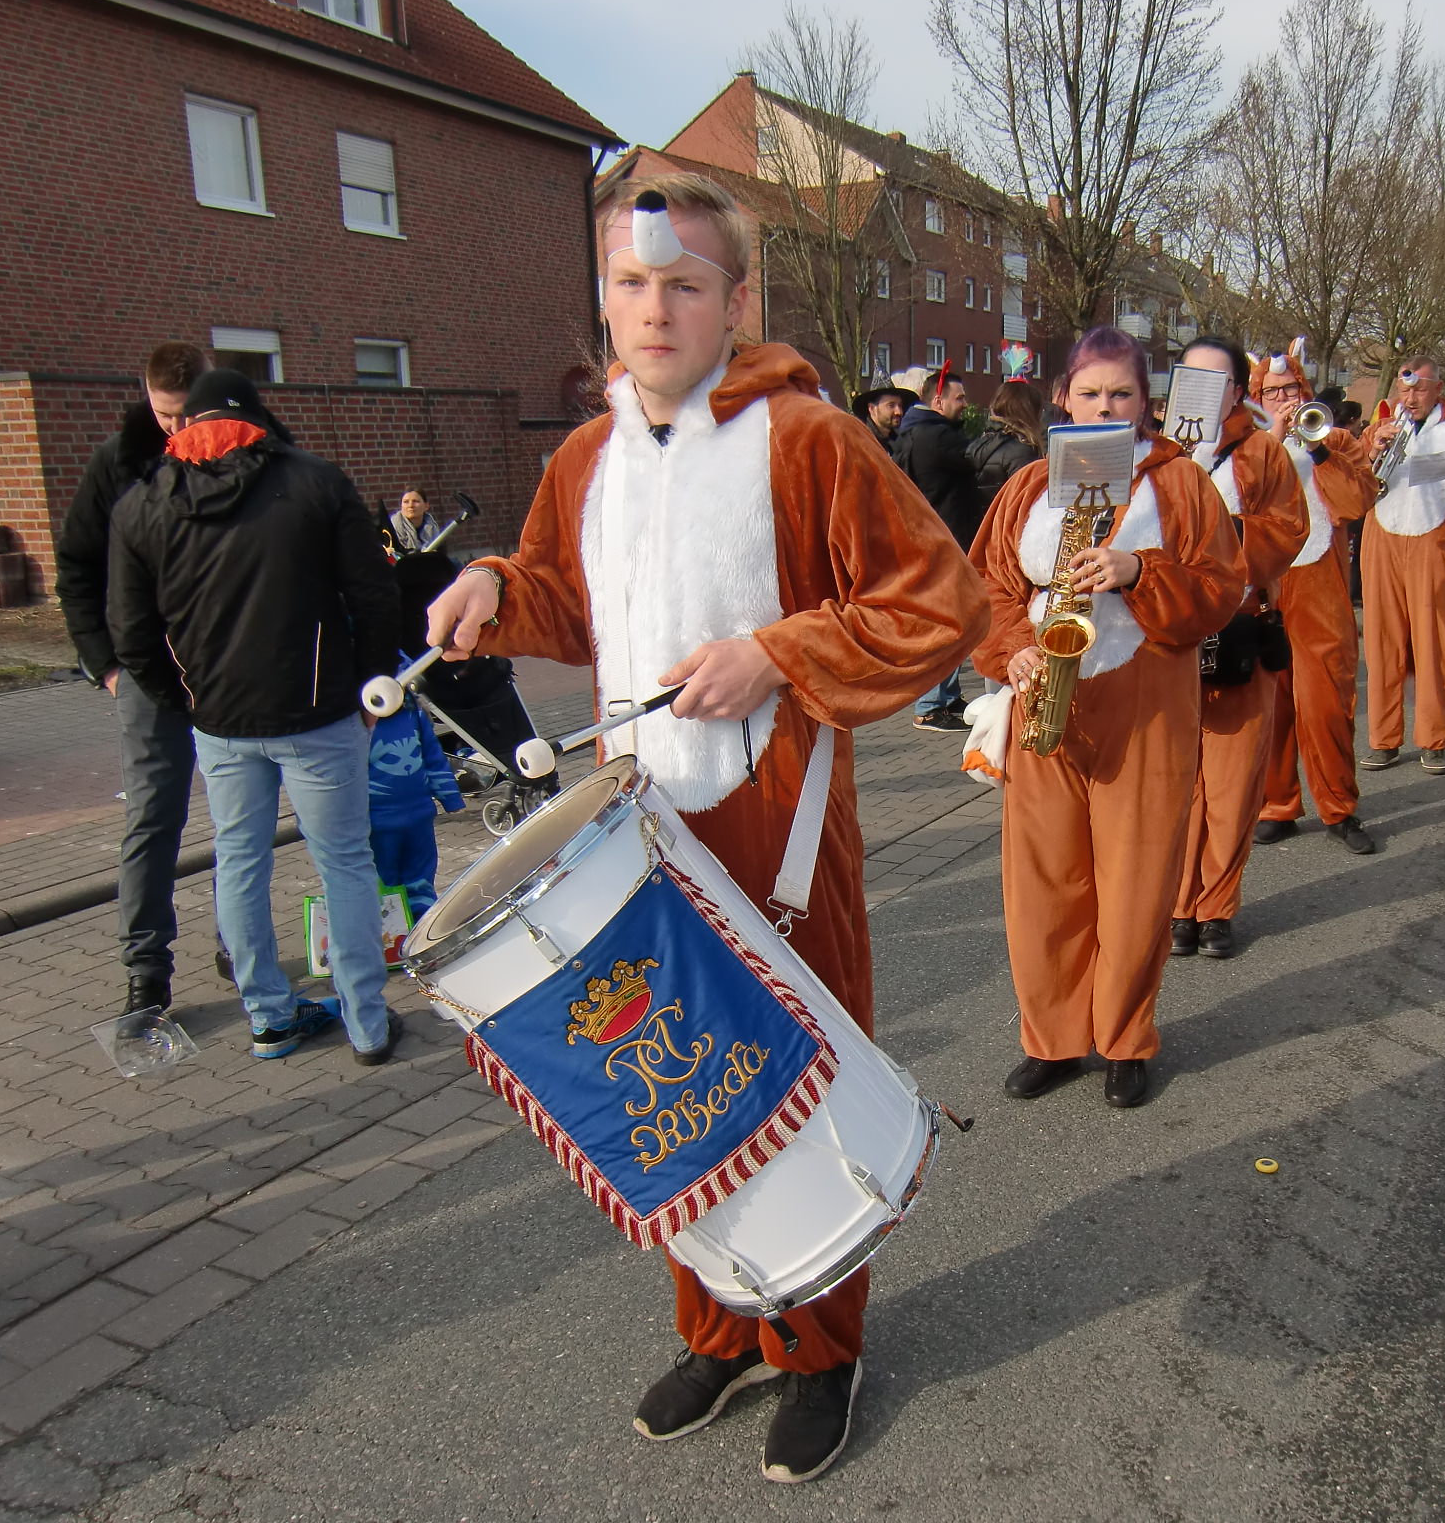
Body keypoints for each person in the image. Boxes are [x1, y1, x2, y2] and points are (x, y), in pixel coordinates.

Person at [422, 174, 986, 1483]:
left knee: (794, 1088)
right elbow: (565, 601)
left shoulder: (809, 440)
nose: (654, 309)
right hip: (631, 847)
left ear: (735, 303)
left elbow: (937, 603)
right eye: (630, 284)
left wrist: (780, 653)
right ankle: (721, 1328)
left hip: (778, 827)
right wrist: (493, 587)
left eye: (683, 284)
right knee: (670, 1096)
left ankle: (822, 1351)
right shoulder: (586, 457)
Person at [970, 325, 1242, 1109]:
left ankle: (1125, 1038)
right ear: (1063, 397)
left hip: (1146, 704)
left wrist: (1138, 570)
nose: (1104, 406)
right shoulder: (1029, 485)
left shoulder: (1179, 482)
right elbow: (985, 588)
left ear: (1145, 401)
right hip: (1046, 701)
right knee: (1043, 883)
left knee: (1136, 880)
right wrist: (1012, 651)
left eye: (1120, 393)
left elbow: (1220, 589)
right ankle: (1052, 1038)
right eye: (1089, 392)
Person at [108, 369, 405, 1064]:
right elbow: (374, 592)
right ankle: (367, 1023)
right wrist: (370, 686)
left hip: (220, 722)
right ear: (257, 420)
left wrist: (186, 699)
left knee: (239, 861)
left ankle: (268, 1018)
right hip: (319, 714)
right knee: (344, 862)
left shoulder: (142, 504)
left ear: (188, 424)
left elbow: (131, 632)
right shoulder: (316, 482)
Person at [54, 340, 210, 1018]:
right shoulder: (116, 465)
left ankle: (240, 945)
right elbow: (76, 567)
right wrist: (105, 663)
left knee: (241, 817)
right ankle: (146, 968)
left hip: (230, 666)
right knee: (152, 816)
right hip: (145, 671)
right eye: (164, 413)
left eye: (186, 413)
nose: (176, 426)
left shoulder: (244, 452)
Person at [1169, 338, 1308, 962]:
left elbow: (1288, 533)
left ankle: (1217, 906)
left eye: (1214, 379)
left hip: (1240, 630)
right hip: (1167, 637)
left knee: (1231, 783)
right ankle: (1177, 903)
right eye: (1189, 377)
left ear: (1235, 390)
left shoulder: (1262, 451)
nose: (1199, 390)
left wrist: (1216, 530)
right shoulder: (1156, 451)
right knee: (1175, 783)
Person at [1253, 343, 1376, 856]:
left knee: (1326, 700)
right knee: (1269, 702)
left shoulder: (1337, 438)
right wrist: (1271, 438)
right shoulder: (1249, 444)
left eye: (1291, 390)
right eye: (1272, 392)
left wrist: (1318, 449)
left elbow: (1357, 501)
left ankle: (1339, 806)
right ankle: (1277, 805)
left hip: (1318, 579)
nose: (1284, 399)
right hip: (1265, 580)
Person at [1357, 356, 1445, 774]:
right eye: (1404, 390)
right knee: (1382, 645)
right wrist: (1372, 450)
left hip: (1435, 545)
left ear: (1438, 390)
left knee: (1433, 643)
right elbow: (1352, 483)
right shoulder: (1378, 430)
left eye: (1419, 389)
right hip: (1382, 541)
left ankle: (1433, 739)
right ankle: (1383, 740)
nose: (1410, 398)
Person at [892, 367, 981, 731]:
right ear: (938, 401)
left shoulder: (915, 433)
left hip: (931, 541)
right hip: (945, 542)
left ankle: (946, 695)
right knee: (948, 624)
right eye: (960, 398)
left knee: (950, 621)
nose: (966, 404)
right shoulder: (937, 436)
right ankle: (930, 705)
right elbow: (978, 458)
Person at [366, 661, 465, 919]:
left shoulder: (413, 714)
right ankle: (392, 932)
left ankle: (422, 923)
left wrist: (450, 796)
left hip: (419, 816)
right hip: (378, 822)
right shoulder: (357, 726)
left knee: (421, 878)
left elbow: (432, 755)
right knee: (385, 881)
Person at [968, 380, 1044, 511]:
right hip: (1008, 522)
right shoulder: (1022, 451)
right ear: (1029, 412)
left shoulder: (978, 444)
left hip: (983, 521)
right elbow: (1026, 503)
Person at [851, 382, 914, 448]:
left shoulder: (902, 441)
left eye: (900, 405)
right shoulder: (860, 443)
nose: (899, 412)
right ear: (872, 408)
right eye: (891, 405)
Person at [387, 488, 440, 553]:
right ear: (401, 506)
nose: (410, 505)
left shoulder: (434, 529)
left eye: (415, 501)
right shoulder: (391, 529)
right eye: (406, 502)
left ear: (426, 506)